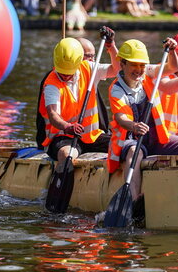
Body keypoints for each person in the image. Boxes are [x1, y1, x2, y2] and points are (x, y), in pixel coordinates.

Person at [107, 38, 178, 205]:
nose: (139, 70)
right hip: (130, 141)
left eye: (141, 65)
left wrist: (171, 51)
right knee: (136, 153)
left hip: (157, 138)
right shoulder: (116, 89)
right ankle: (134, 201)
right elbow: (121, 118)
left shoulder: (147, 72)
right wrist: (134, 126)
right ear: (122, 64)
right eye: (134, 65)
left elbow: (173, 67)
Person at [39, 34, 120, 176]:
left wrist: (111, 47)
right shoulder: (51, 84)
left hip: (92, 136)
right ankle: (62, 187)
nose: (65, 76)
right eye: (62, 72)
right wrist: (67, 127)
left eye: (68, 72)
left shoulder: (89, 68)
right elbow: (53, 114)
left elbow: (117, 69)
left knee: (122, 145)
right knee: (66, 154)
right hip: (63, 137)